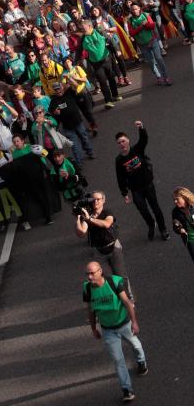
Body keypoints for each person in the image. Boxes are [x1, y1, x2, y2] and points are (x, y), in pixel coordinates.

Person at [83, 261, 147, 403]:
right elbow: (90, 310)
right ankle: (126, 389)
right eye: (87, 274)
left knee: (135, 345)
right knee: (118, 360)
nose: (89, 277)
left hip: (124, 324)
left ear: (100, 271)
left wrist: (134, 322)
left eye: (92, 273)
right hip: (108, 330)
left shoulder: (114, 282)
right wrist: (93, 328)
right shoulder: (87, 288)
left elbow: (127, 303)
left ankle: (141, 361)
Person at [115, 121, 170, 241]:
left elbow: (144, 139)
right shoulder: (119, 160)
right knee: (143, 211)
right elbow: (120, 177)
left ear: (128, 140)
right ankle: (151, 224)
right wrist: (124, 193)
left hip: (148, 185)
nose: (121, 144)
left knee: (155, 208)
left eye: (123, 141)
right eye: (119, 142)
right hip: (136, 190)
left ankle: (163, 229)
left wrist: (141, 128)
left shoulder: (137, 149)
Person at [75, 191, 132, 298]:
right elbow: (81, 233)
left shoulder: (107, 212)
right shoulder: (88, 214)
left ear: (103, 200)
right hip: (99, 251)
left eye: (98, 199)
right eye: (93, 199)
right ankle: (117, 299)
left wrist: (90, 219)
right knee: (108, 278)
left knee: (121, 275)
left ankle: (129, 299)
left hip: (113, 246)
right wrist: (78, 219)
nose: (95, 201)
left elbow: (106, 224)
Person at [127, 3, 171, 85]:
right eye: (133, 9)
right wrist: (141, 26)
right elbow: (132, 33)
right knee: (151, 62)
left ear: (139, 8)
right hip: (142, 44)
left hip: (152, 41)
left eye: (136, 8)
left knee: (159, 59)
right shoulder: (130, 20)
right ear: (131, 10)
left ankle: (166, 77)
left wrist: (146, 24)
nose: (135, 10)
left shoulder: (146, 15)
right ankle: (158, 77)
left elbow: (152, 26)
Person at [81, 20, 121, 109]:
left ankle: (115, 95)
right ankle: (108, 101)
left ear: (90, 26)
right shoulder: (83, 37)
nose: (82, 30)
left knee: (111, 78)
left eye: (84, 28)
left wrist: (117, 50)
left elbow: (110, 40)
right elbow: (79, 50)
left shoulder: (99, 31)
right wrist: (76, 61)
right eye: (82, 29)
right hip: (95, 63)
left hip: (106, 59)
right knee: (102, 82)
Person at [171, 186, 194, 262]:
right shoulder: (175, 212)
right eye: (174, 200)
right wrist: (179, 229)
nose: (175, 202)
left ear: (184, 197)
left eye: (177, 199)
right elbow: (175, 225)